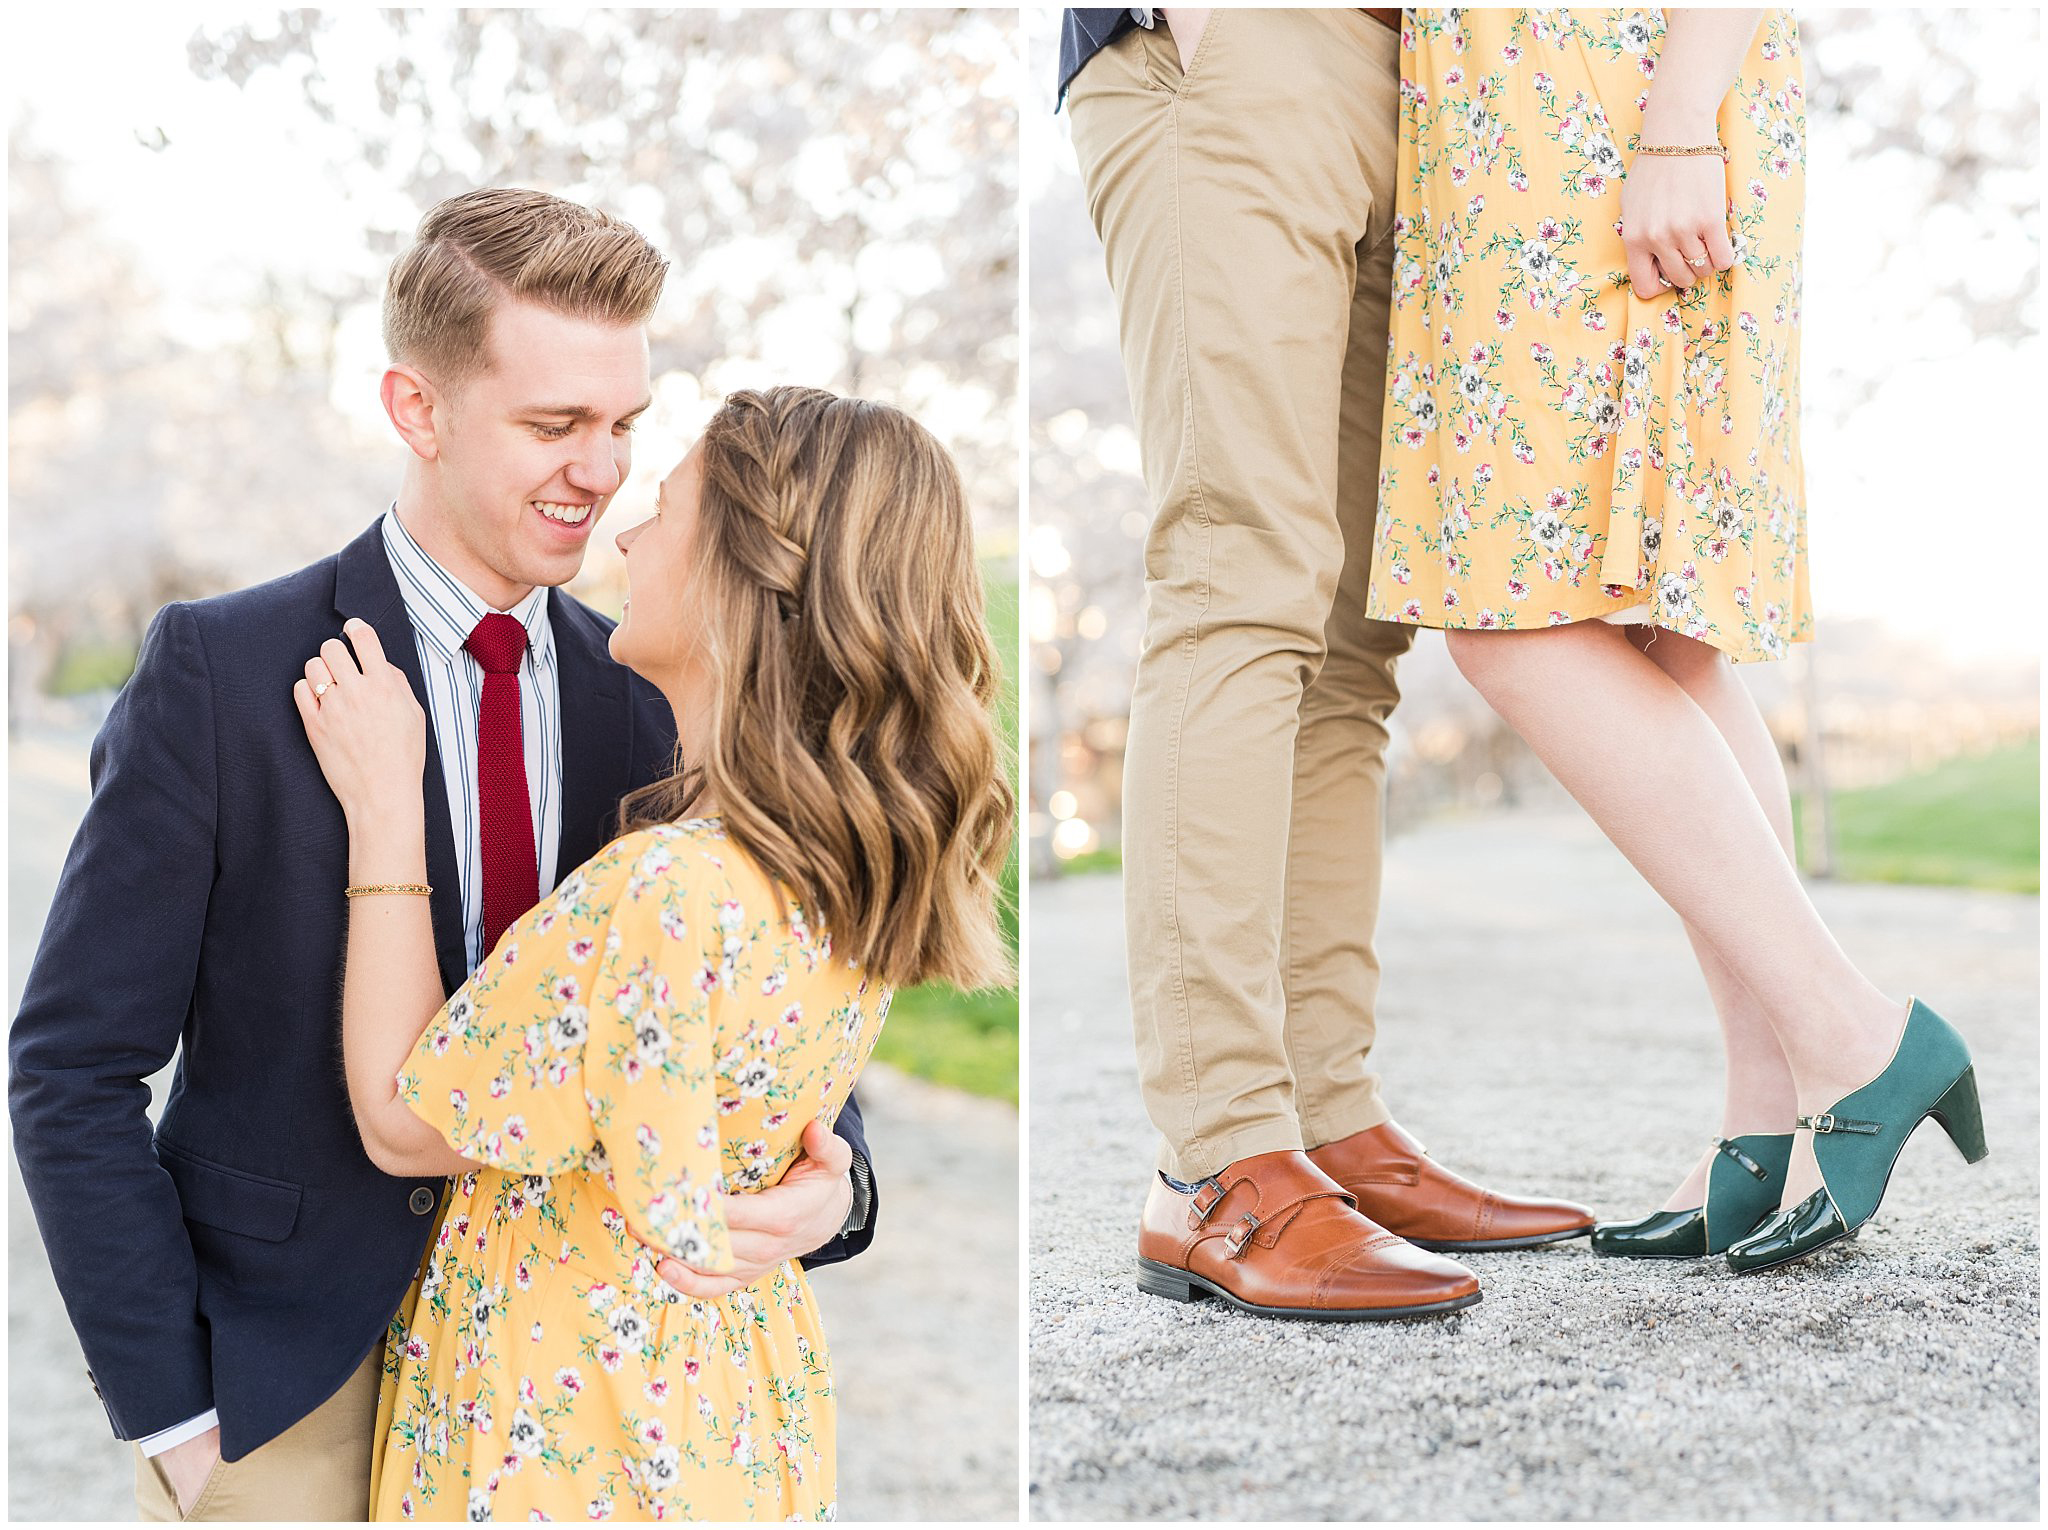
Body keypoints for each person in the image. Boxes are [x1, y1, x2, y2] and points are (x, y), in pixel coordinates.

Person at [10, 189, 881, 1522]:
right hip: (293, 1384)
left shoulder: (658, 685)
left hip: (578, 1377)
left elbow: (741, 977)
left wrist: (840, 1180)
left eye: (624, 426)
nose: (601, 471)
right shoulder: (224, 672)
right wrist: (180, 1417)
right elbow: (70, 1065)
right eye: (554, 425)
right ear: (416, 410)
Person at [298, 385, 1013, 1518]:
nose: (624, 524)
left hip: (575, 1419)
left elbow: (402, 1119)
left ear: (743, 575)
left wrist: (389, 806)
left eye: (666, 506)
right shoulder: (844, 869)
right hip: (733, 1392)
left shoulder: (666, 886)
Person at [1362, 8, 1985, 1269]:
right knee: (1654, 637)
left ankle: (1859, 1039)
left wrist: (1676, 126)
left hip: (1606, 119)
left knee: (1506, 623)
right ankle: (1761, 1130)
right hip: (1522, 128)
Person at [1061, 6, 1595, 1324]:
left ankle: (1327, 1123)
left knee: (1357, 632)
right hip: (1238, 43)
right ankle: (1220, 1158)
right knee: (1239, 578)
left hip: (1425, 82)